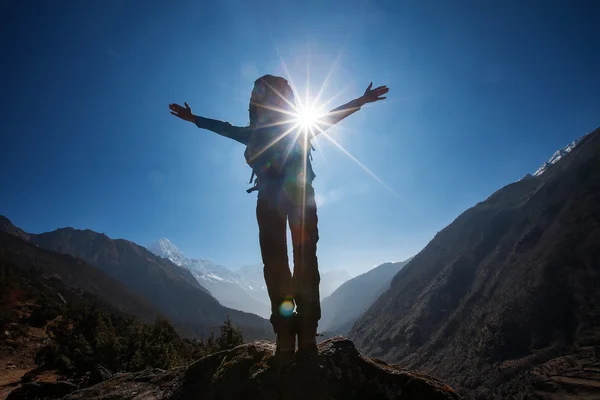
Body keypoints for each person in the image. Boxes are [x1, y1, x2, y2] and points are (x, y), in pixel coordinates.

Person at [169, 75, 388, 362]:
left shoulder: (256, 133)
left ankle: (286, 337)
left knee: (276, 265)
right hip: (301, 200)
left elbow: (223, 128)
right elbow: (332, 116)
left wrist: (194, 118)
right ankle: (306, 334)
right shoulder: (300, 128)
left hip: (270, 201)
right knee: (305, 262)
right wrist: (360, 101)